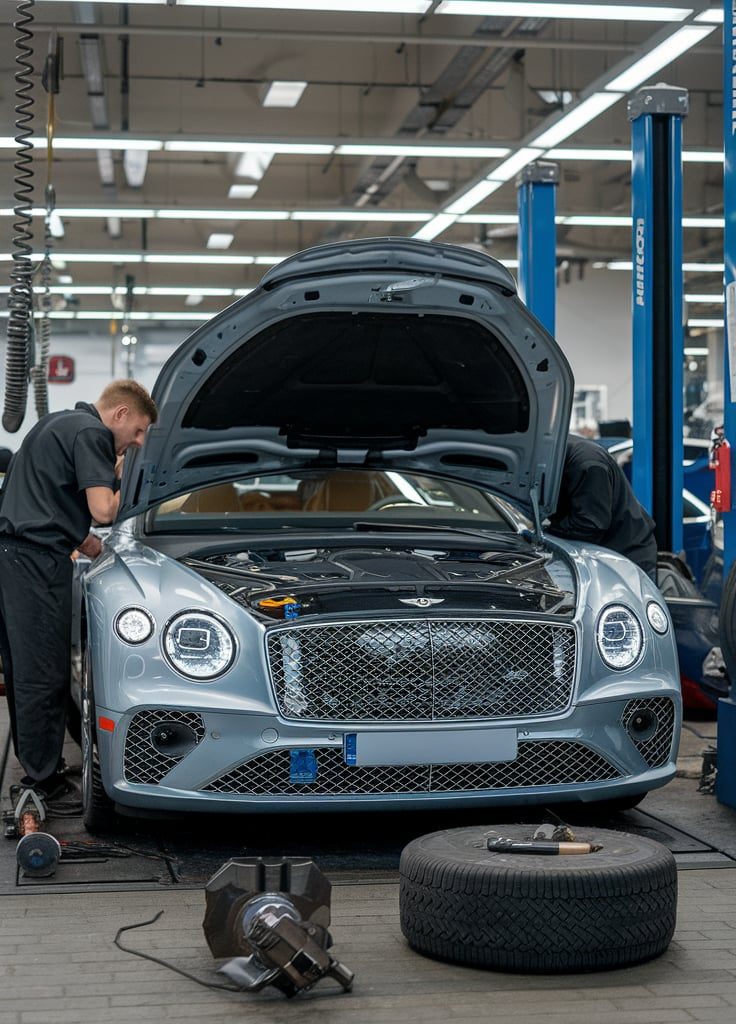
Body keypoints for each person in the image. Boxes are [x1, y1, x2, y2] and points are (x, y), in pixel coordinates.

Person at [0, 380, 157, 798]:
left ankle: (40, 765)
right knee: (43, 673)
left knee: (25, 669)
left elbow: (50, 507)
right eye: (139, 430)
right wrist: (127, 476)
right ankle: (42, 780)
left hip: (15, 556)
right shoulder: (93, 434)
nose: (138, 441)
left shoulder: (58, 423)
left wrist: (95, 547)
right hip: (33, 563)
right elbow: (103, 509)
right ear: (120, 414)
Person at [547, 433, 657, 579]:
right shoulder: (559, 452)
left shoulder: (587, 463)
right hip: (604, 556)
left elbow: (590, 523)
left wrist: (544, 534)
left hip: (626, 559)